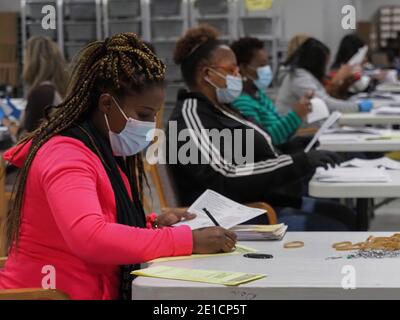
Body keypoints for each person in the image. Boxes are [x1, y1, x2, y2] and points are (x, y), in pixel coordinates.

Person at [0, 33, 237, 300]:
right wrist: (188, 241)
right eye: (143, 115)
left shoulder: (103, 151)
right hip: (47, 295)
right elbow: (90, 237)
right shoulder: (65, 155)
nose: (149, 126)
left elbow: (104, 220)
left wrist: (152, 225)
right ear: (106, 104)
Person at [167, 25, 356, 231]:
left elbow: (254, 154)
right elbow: (225, 177)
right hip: (232, 218)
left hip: (262, 202)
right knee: (336, 225)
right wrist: (300, 161)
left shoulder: (222, 109)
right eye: (231, 70)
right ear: (206, 74)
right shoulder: (190, 116)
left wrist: (298, 147)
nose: (237, 76)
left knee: (344, 215)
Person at [231, 37, 312, 146]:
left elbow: (283, 133)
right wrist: (296, 115)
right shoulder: (241, 103)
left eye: (267, 64)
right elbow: (264, 141)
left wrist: (299, 114)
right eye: (262, 65)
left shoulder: (259, 95)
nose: (267, 69)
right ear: (244, 68)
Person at [276, 37, 372, 116]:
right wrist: (357, 107)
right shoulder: (299, 78)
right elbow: (325, 103)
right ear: (316, 63)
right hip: (298, 132)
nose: (326, 69)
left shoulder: (305, 76)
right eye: (325, 64)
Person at [20, 36, 69, 134]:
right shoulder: (57, 89)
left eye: (25, 59)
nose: (23, 63)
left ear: (33, 62)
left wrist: (7, 122)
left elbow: (26, 138)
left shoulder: (41, 93)